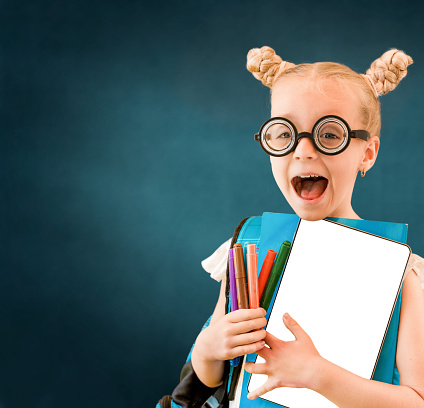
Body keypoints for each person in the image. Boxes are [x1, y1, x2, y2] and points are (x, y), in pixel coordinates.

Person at [190, 46, 424, 407]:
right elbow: (214, 378)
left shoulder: (406, 273)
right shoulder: (247, 247)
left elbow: (416, 399)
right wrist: (208, 350)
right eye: (284, 133)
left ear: (367, 153)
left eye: (330, 134)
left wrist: (318, 375)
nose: (303, 150)